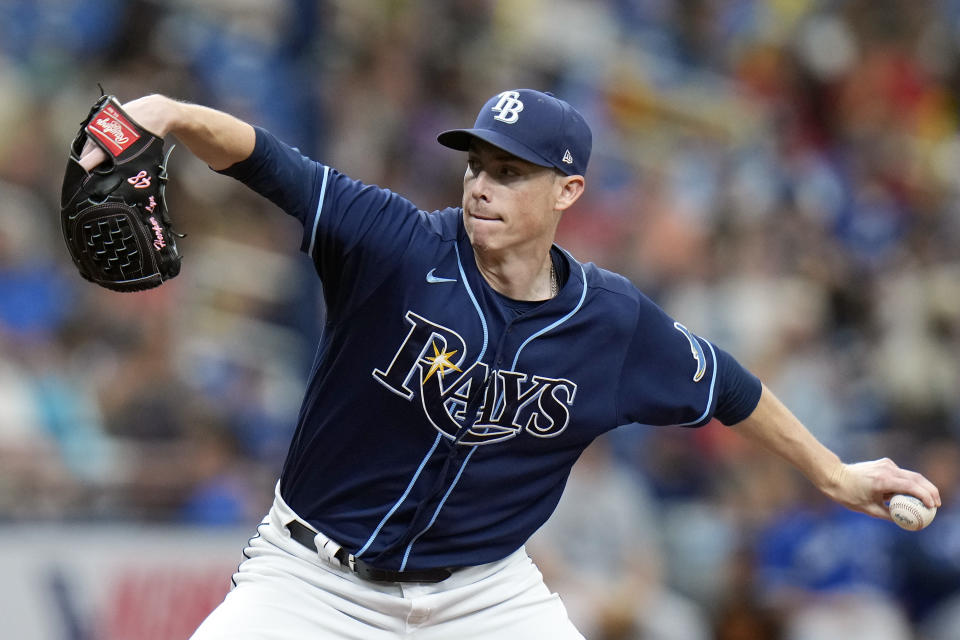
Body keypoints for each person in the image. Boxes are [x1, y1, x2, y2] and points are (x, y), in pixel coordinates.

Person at [79, 88, 941, 639]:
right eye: (479, 165)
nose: (482, 185)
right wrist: (167, 114)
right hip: (313, 580)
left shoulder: (611, 321)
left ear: (567, 192)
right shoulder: (394, 242)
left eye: (512, 173)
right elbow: (272, 164)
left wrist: (833, 473)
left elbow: (729, 387)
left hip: (482, 598)